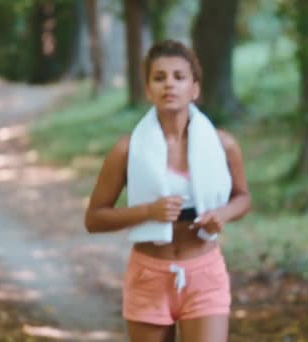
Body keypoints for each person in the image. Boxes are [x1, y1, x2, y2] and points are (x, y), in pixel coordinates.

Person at [84, 39, 251, 342]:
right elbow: (94, 219)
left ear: (195, 88)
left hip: (204, 273)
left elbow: (243, 197)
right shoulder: (127, 149)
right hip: (149, 275)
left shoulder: (223, 144)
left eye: (179, 76)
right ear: (148, 90)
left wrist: (221, 215)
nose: (169, 85)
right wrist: (149, 211)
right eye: (159, 78)